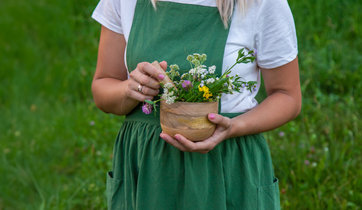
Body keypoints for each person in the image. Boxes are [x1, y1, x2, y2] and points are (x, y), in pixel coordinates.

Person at [91, 0, 301, 209]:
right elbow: (103, 85)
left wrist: (234, 127)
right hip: (147, 168)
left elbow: (287, 96)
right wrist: (130, 90)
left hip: (227, 165)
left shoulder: (262, 4)